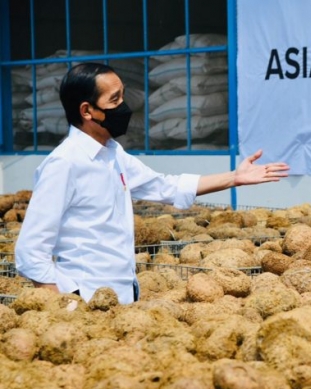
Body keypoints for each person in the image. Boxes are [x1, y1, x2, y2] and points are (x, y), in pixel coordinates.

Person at [14, 62, 290, 304]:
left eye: (123, 95)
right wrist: (65, 305)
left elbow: (165, 186)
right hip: (86, 298)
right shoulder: (64, 164)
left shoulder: (113, 153)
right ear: (87, 111)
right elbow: (30, 251)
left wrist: (235, 178)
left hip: (123, 297)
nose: (124, 106)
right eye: (115, 100)